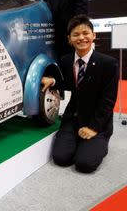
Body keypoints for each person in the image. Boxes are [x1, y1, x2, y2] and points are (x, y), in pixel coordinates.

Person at [42, 14, 119, 173]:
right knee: (61, 158)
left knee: (84, 164)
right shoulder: (66, 60)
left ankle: (100, 143)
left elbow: (108, 100)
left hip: (97, 121)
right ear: (69, 39)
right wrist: (54, 82)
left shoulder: (108, 64)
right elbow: (70, 84)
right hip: (74, 118)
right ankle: (79, 140)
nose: (81, 38)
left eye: (86, 33)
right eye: (76, 34)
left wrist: (94, 128)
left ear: (94, 36)